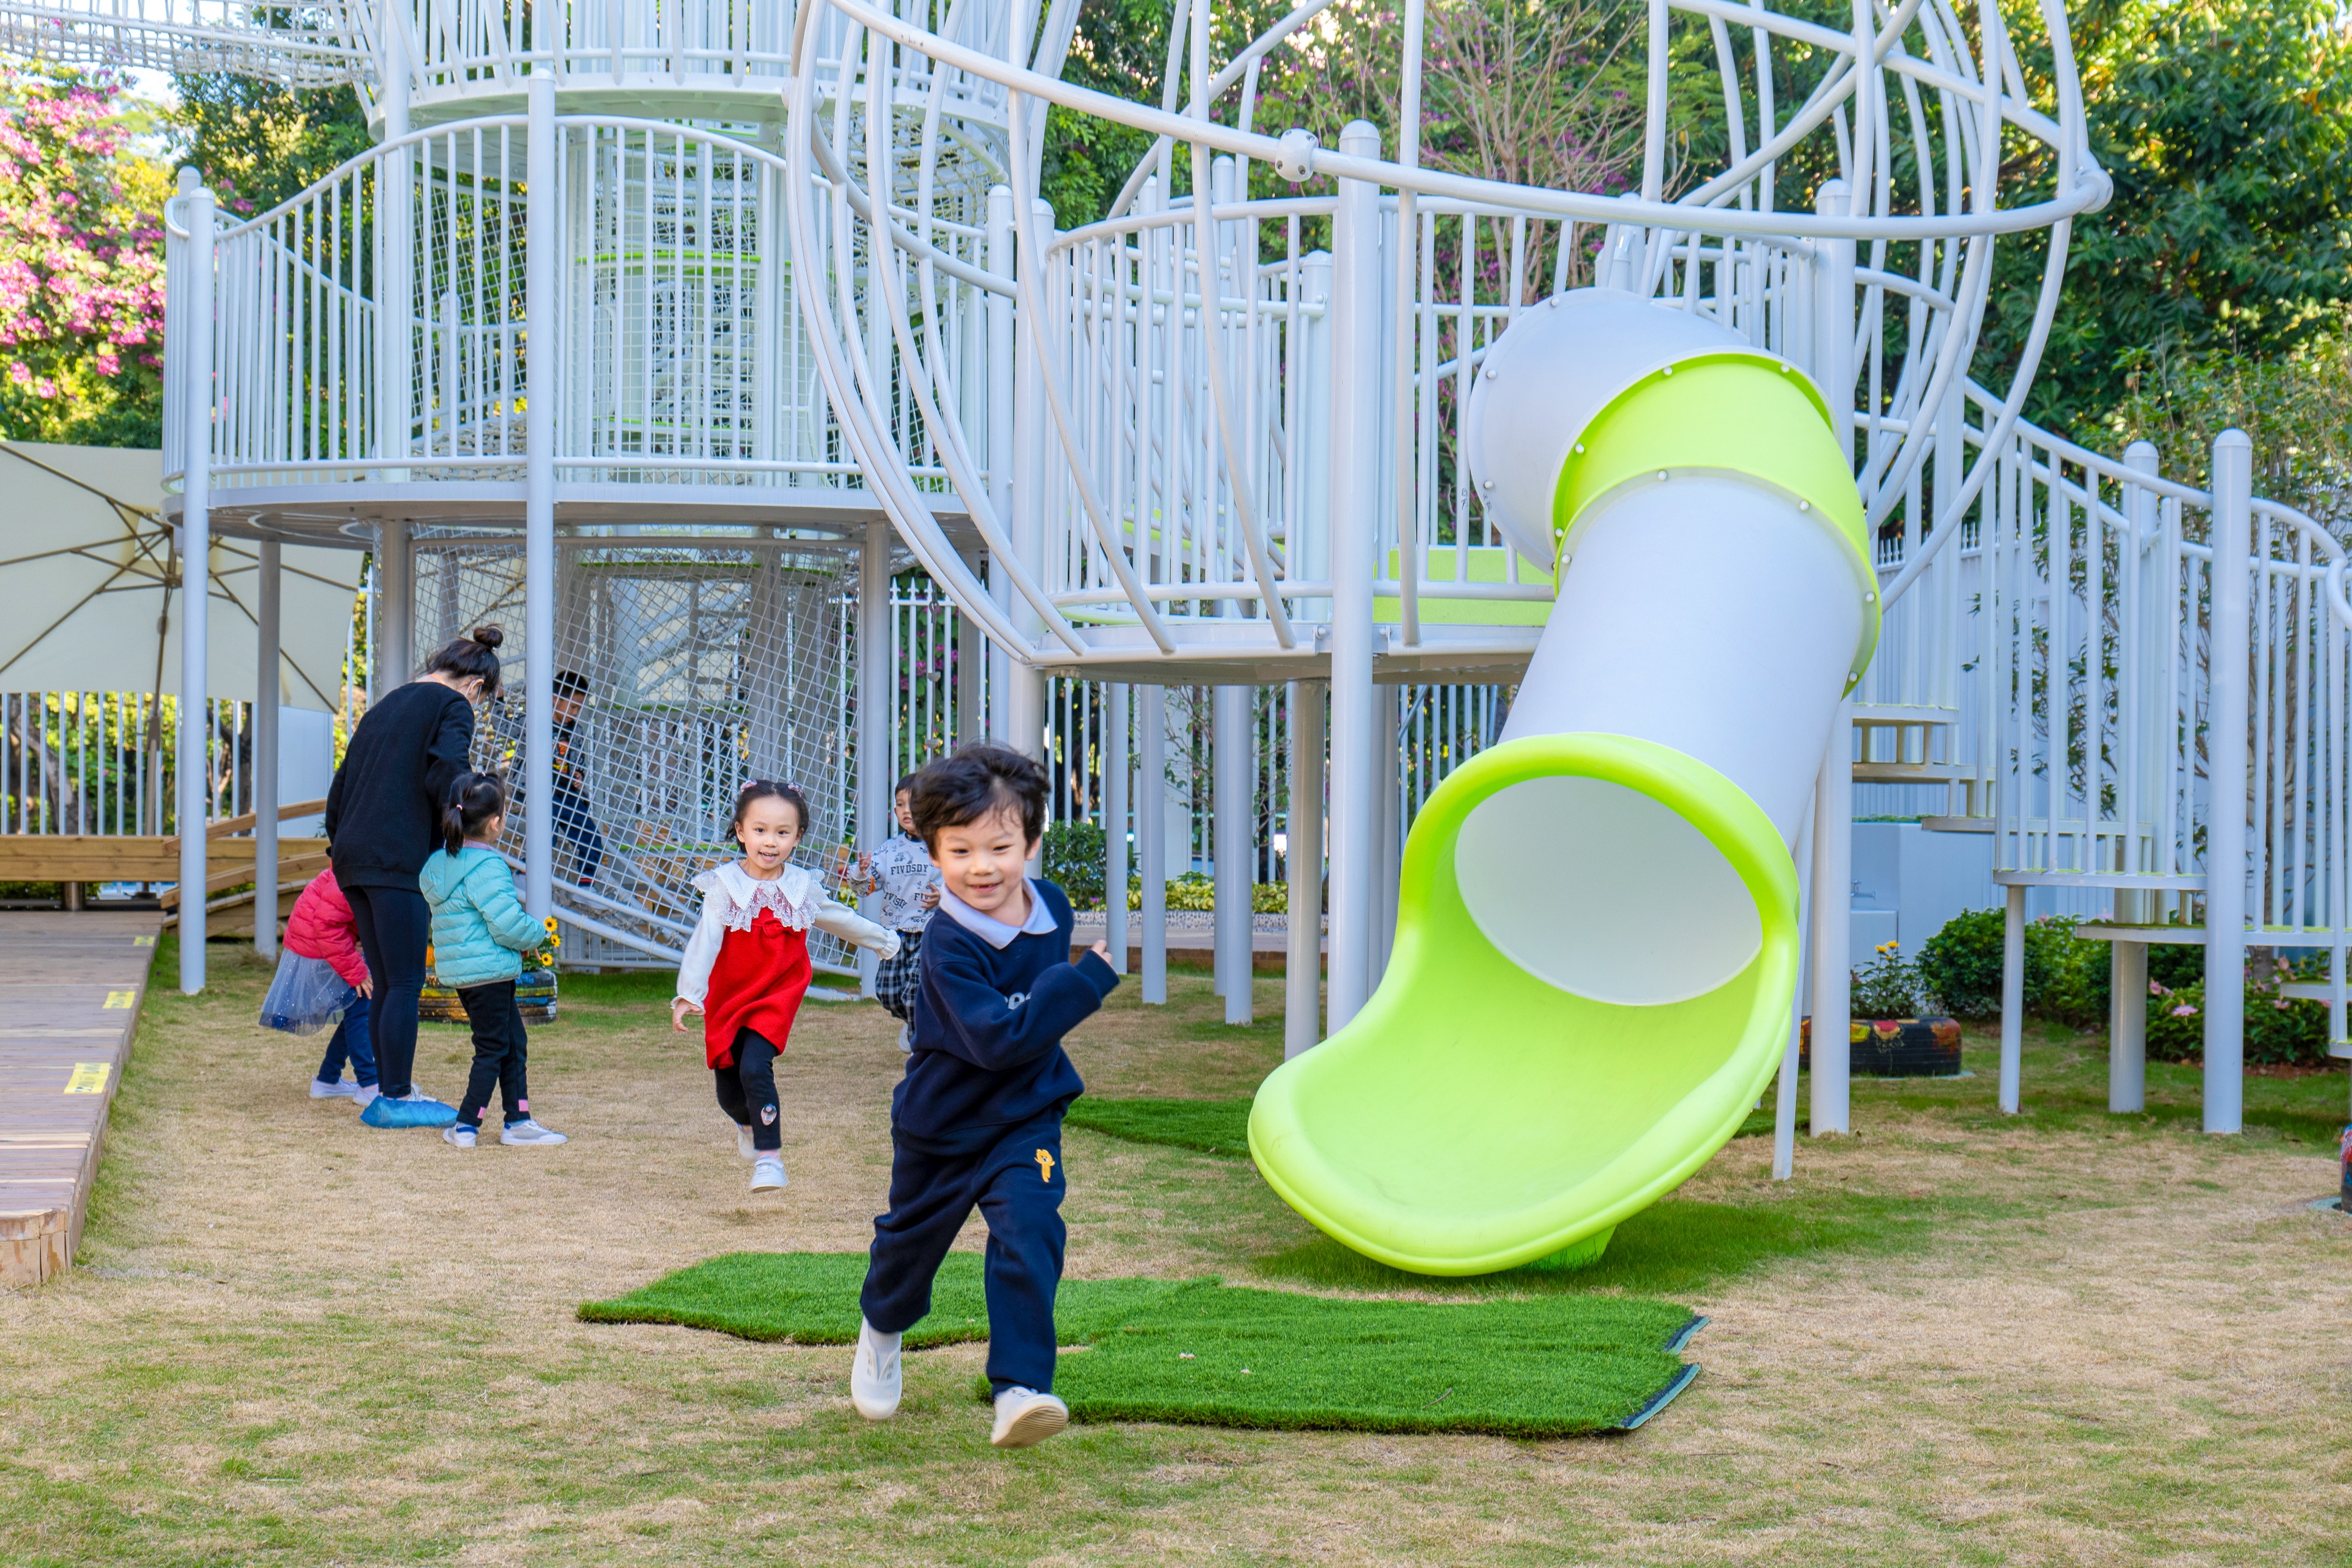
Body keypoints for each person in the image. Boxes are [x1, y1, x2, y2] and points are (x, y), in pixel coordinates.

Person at [850, 744, 1120, 1450]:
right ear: (933, 852)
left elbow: (1025, 1037)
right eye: (960, 850)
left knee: (1030, 1232)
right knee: (908, 1250)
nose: (981, 867)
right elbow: (999, 1039)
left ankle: (1020, 1390)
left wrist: (1060, 990)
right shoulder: (947, 944)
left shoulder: (1051, 907)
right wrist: (1082, 984)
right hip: (942, 1125)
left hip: (1024, 1118)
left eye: (1000, 846)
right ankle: (882, 1328)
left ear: (1030, 842)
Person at [672, 781, 903, 1193]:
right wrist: (690, 992)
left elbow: (839, 917)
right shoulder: (724, 885)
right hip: (730, 994)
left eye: (783, 832)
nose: (770, 841)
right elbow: (705, 939)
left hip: (777, 992)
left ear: (797, 836)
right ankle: (748, 1125)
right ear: (741, 831)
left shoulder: (800, 886)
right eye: (760, 830)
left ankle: (770, 1159)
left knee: (754, 1066)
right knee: (729, 1091)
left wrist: (882, 940)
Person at [324, 624, 504, 1130]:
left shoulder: (384, 705)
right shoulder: (454, 706)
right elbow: (446, 768)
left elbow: (342, 784)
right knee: (404, 979)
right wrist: (468, 813)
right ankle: (398, 1096)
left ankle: (383, 1088)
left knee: (386, 979)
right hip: (399, 856)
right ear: (476, 686)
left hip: (353, 857)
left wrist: (340, 846)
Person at [421, 772, 567, 1149]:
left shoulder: (440, 866)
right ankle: (467, 1125)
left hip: (468, 974)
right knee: (492, 1047)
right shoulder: (488, 868)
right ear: (495, 822)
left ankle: (518, 1119)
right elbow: (506, 926)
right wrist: (538, 935)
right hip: (489, 973)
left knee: (512, 1041)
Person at [853, 773, 943, 1052]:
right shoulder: (889, 850)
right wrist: (862, 871)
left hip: (930, 930)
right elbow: (865, 888)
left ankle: (923, 1045)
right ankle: (915, 1024)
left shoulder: (943, 846)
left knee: (915, 990)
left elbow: (963, 883)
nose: (908, 811)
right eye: (901, 805)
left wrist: (944, 896)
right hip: (895, 933)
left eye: (915, 804)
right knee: (888, 994)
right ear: (895, 811)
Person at [283, 866, 378, 1107]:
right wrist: (356, 972)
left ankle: (328, 1080)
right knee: (361, 1006)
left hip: (317, 944)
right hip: (317, 947)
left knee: (356, 1008)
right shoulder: (350, 874)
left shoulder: (352, 865)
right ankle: (369, 1085)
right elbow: (326, 926)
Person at [506, 670, 605, 890]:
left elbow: (578, 762)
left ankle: (586, 886)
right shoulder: (533, 721)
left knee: (592, 839)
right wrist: (500, 700)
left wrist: (579, 776)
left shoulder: (576, 731)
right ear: (554, 699)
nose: (575, 712)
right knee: (545, 836)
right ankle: (524, 872)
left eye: (579, 708)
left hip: (565, 792)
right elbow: (505, 726)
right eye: (572, 706)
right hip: (538, 791)